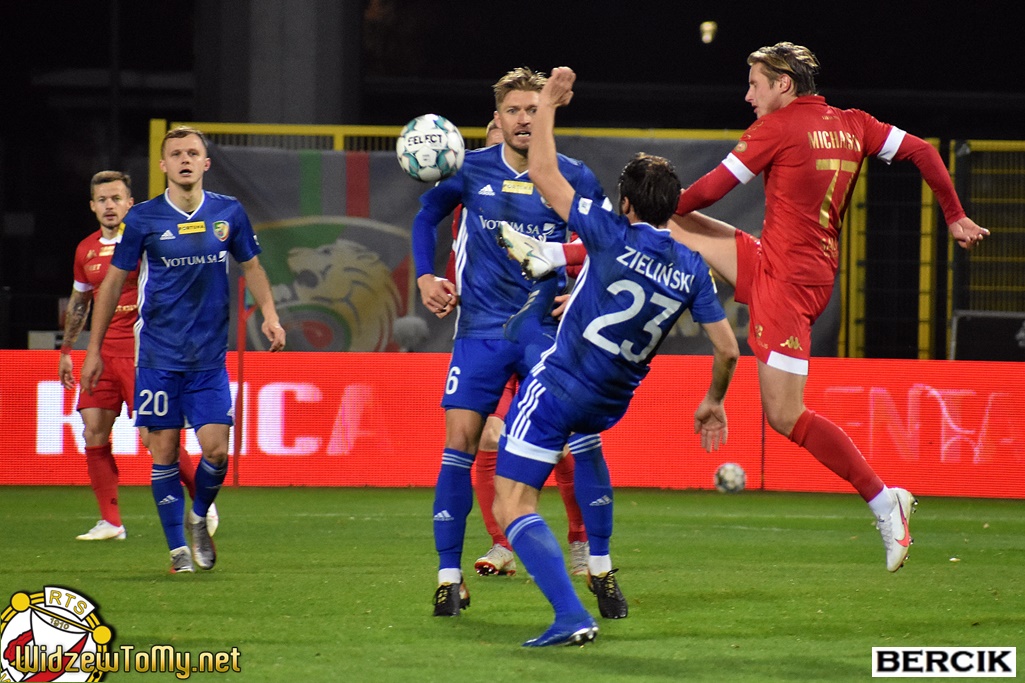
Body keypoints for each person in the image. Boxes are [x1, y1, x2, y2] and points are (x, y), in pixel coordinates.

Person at [668, 42, 990, 572]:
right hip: (796, 267)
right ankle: (569, 256)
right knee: (668, 224)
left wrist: (664, 202)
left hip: (787, 283)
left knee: (784, 414)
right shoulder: (854, 123)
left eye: (755, 84)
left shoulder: (776, 128)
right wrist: (953, 215)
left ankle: (885, 500)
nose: (748, 95)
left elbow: (708, 191)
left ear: (783, 84)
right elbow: (923, 152)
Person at [492, 66, 739, 647]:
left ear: (624, 202)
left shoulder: (608, 232)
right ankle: (599, 564)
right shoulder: (692, 268)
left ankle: (570, 616)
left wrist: (548, 106)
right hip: (609, 402)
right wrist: (713, 400)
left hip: (560, 385)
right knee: (584, 450)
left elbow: (544, 173)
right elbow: (728, 348)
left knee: (511, 503)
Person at [413, 67, 617, 617]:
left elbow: (607, 245)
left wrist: (583, 295)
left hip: (547, 335)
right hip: (480, 332)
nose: (523, 119)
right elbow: (426, 217)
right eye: (514, 111)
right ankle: (448, 577)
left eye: (532, 109)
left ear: (546, 112)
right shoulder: (469, 168)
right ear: (498, 119)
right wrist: (425, 275)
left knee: (582, 440)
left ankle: (599, 565)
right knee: (460, 444)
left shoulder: (573, 176)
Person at [81, 126, 286, 574]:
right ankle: (178, 552)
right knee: (165, 451)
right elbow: (113, 284)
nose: (185, 160)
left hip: (208, 356)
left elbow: (252, 266)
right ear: (163, 166)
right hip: (158, 355)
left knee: (217, 451)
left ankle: (199, 517)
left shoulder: (228, 212)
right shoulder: (144, 219)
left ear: (206, 163)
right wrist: (92, 349)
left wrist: (270, 315)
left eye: (193, 153)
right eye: (176, 154)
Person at [455, 121, 589, 580]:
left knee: (562, 447)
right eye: (496, 128)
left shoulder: (557, 185)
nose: (507, 133)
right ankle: (502, 544)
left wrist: (579, 292)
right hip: (490, 336)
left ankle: (581, 541)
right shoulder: (472, 193)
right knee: (488, 439)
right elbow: (462, 257)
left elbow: (595, 242)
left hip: (544, 334)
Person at [60, 170, 218, 542]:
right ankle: (111, 522)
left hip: (145, 352)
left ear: (130, 203)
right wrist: (68, 350)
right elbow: (81, 302)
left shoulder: (148, 241)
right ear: (92, 206)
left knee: (156, 438)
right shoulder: (85, 250)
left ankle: (203, 501)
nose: (109, 206)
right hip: (103, 354)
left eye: (117, 198)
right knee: (93, 430)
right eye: (103, 200)